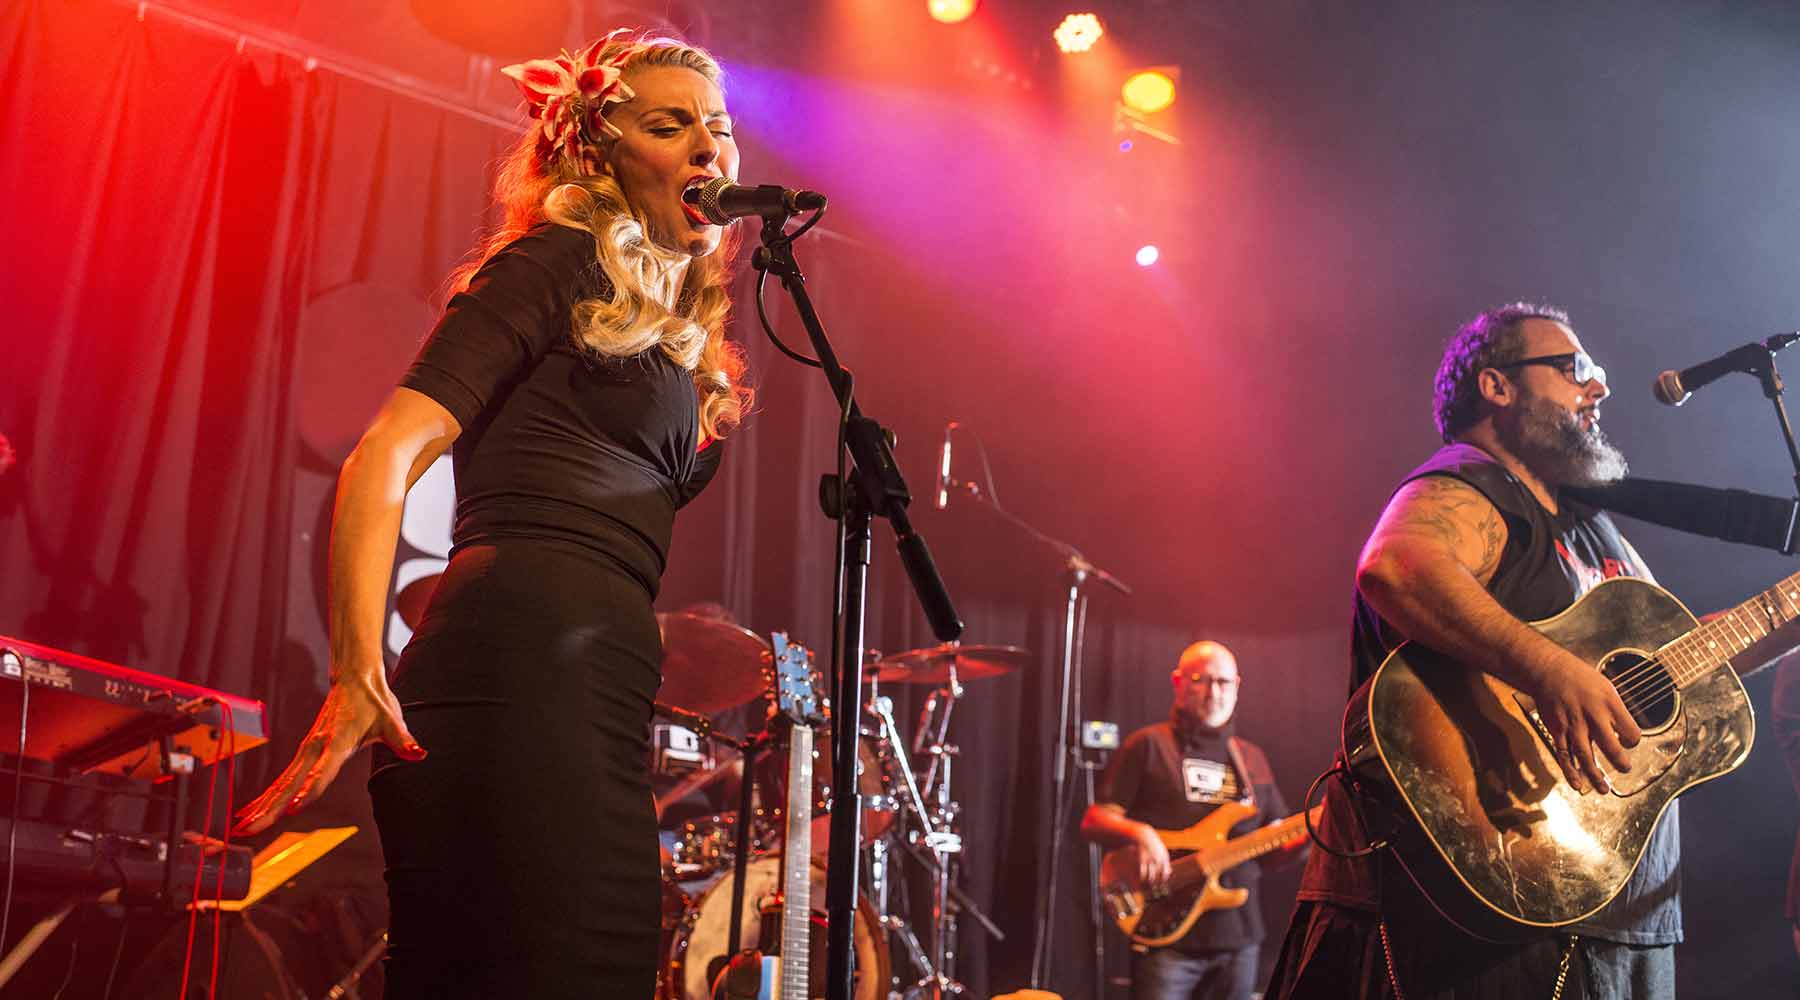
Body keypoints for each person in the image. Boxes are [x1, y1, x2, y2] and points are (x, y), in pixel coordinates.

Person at [232, 30, 752, 998]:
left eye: (717, 129)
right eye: (670, 125)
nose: (708, 149)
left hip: (600, 718)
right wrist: (356, 668)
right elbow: (385, 451)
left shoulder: (678, 339)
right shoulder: (552, 265)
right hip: (509, 698)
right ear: (601, 152)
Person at [1266, 303, 1800, 998]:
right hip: (1472, 915)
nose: (1600, 388)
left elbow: (1687, 658)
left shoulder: (1594, 528)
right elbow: (1397, 568)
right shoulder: (1469, 485)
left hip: (1608, 907)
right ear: (1497, 385)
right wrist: (1550, 670)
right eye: (1576, 369)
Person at [1081, 640, 1304, 1000]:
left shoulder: (1251, 759)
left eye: (1223, 682)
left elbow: (1273, 850)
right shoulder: (1148, 745)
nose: (1214, 692)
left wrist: (1311, 834)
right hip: (1167, 935)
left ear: (1237, 686)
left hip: (1238, 939)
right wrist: (1142, 834)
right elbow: (1094, 819)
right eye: (1201, 679)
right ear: (1177, 682)